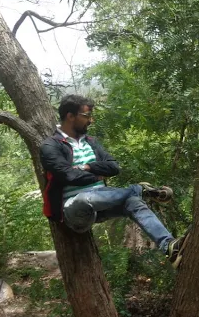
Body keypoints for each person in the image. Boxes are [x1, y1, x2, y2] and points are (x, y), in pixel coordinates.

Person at [39, 94, 188, 267]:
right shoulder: (50, 146)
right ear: (70, 116)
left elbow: (113, 167)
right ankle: (139, 190)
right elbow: (68, 176)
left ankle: (169, 247)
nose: (91, 120)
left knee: (133, 202)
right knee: (85, 198)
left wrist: (87, 167)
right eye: (86, 116)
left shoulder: (91, 142)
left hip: (103, 200)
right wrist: (96, 174)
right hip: (74, 210)